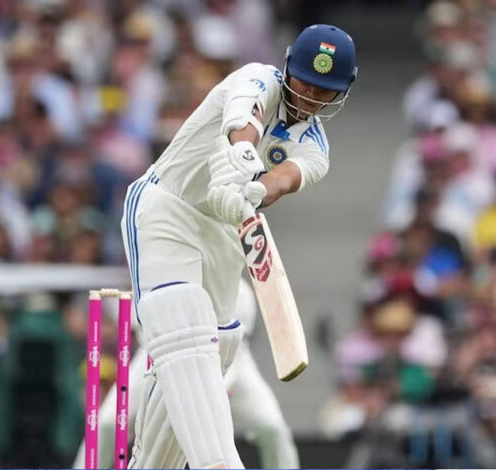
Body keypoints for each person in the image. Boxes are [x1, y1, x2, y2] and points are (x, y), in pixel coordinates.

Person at [120, 24, 357, 469]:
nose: (310, 95)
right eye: (306, 81)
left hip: (225, 234)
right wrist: (242, 156)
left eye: (324, 89)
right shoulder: (257, 78)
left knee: (221, 344)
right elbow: (242, 120)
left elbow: (284, 179)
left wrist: (256, 191)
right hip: (168, 205)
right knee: (181, 325)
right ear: (288, 67)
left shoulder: (316, 150)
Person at [73, 279, 299, 469]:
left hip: (229, 360)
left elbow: (230, 343)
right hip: (157, 354)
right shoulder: (158, 271)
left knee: (272, 427)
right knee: (107, 423)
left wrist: (217, 387)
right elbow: (141, 330)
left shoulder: (238, 288)